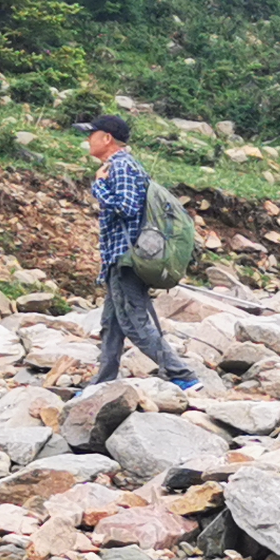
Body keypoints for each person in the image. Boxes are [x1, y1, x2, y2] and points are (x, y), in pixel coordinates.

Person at [81, 113, 199, 391]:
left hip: (127, 257)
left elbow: (127, 207)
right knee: (112, 323)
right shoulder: (122, 165)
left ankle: (181, 374)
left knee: (134, 322)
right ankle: (102, 381)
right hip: (120, 258)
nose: (87, 140)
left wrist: (98, 186)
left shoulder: (120, 166)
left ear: (106, 138)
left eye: (91, 135)